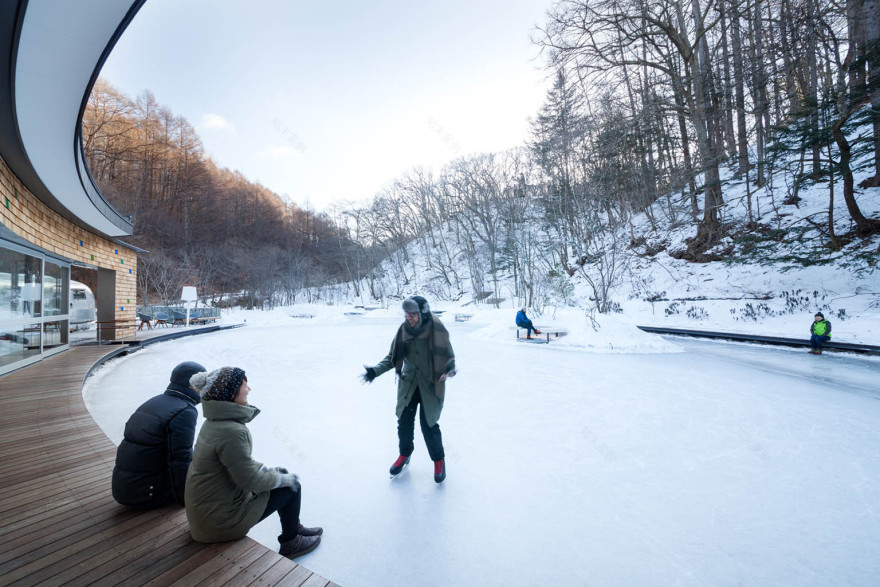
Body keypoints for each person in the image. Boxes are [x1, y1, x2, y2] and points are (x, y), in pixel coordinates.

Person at [185, 367, 322, 558]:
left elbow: (235, 466)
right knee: (291, 486)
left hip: (207, 514)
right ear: (230, 393)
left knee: (281, 474)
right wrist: (281, 479)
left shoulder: (214, 423)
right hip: (218, 523)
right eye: (244, 385)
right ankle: (292, 542)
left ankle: (294, 528)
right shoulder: (231, 431)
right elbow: (249, 481)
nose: (249, 390)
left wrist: (274, 474)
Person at [362, 295, 456, 483]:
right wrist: (375, 371)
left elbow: (449, 358)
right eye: (407, 314)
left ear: (422, 313)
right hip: (409, 384)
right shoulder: (403, 331)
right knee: (404, 422)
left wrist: (448, 370)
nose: (409, 317)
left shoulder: (437, 330)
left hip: (430, 385)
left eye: (413, 314)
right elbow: (392, 358)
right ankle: (404, 454)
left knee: (429, 426)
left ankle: (439, 460)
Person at [112, 361, 207, 509]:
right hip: (145, 494)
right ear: (191, 385)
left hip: (124, 488)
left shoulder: (155, 401)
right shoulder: (184, 411)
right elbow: (180, 459)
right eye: (202, 383)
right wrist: (186, 498)